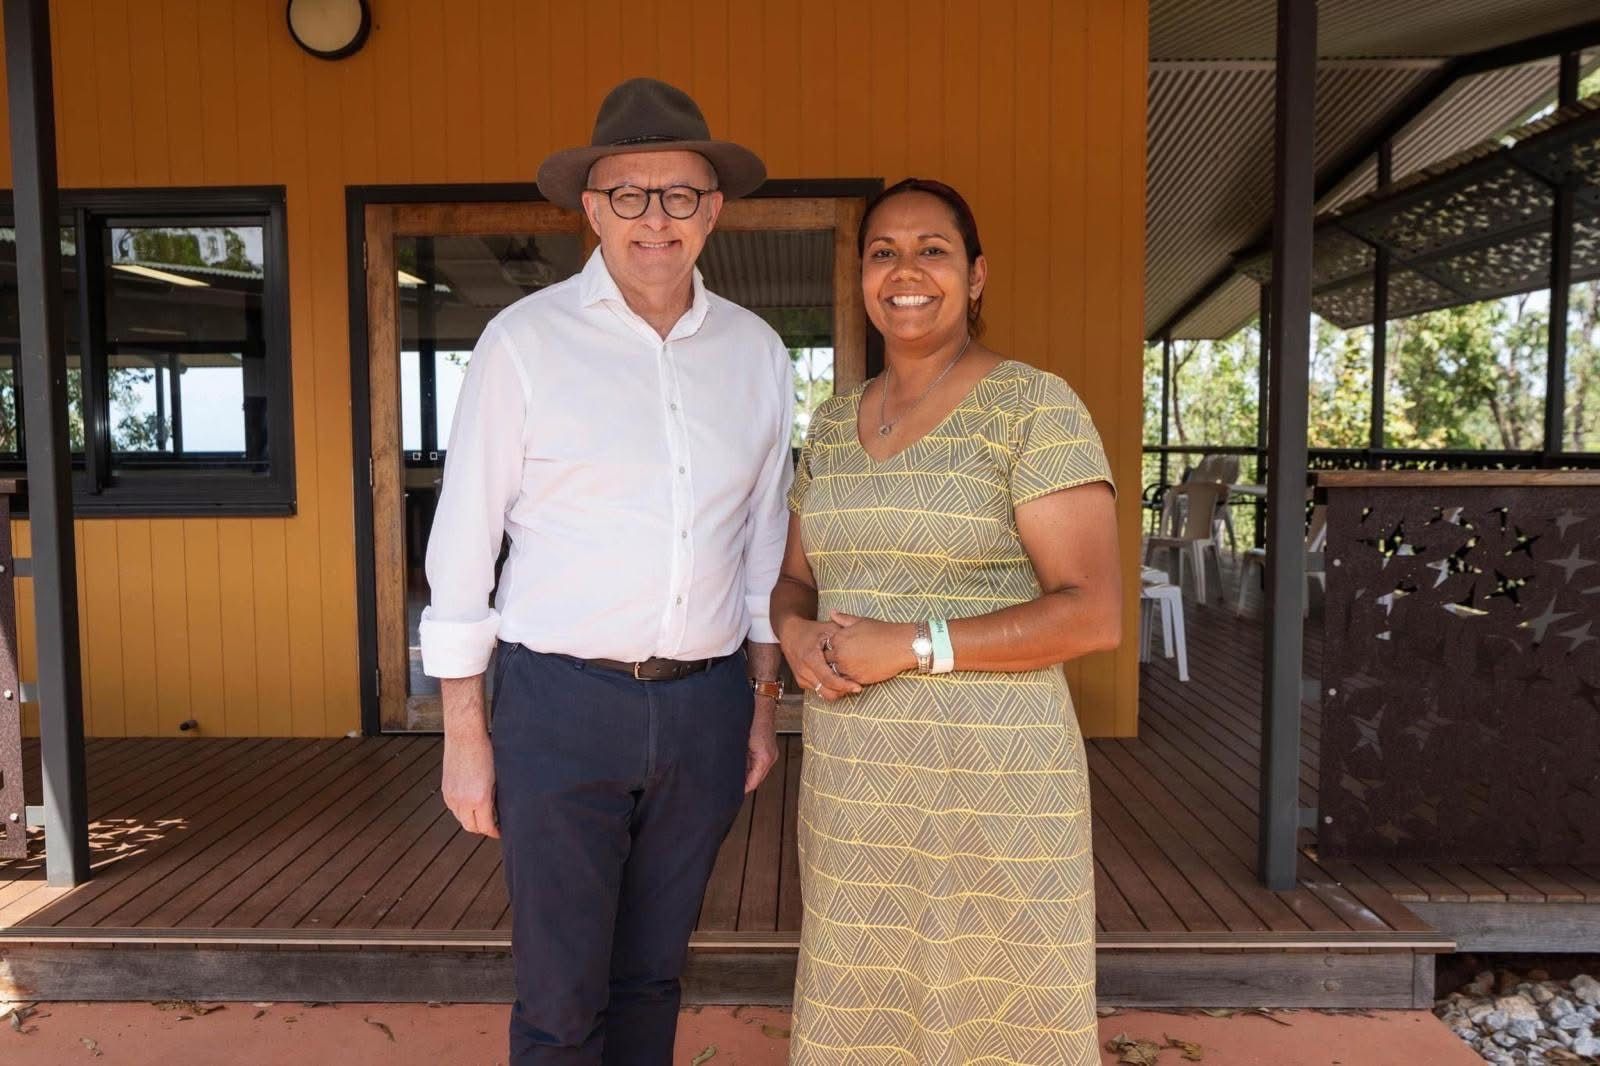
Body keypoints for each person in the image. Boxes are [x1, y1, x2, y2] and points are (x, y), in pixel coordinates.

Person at [420, 78, 794, 1065]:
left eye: (679, 194)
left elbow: (762, 542)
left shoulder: (756, 356)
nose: (655, 220)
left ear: (712, 210)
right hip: (558, 706)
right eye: (629, 194)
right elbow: (463, 543)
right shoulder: (525, 343)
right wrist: (466, 729)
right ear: (592, 209)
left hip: (706, 708)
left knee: (652, 976)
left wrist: (758, 704)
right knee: (559, 990)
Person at [773, 178, 1122, 1065]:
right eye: (883, 252)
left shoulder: (1033, 407)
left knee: (1001, 1008)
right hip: (856, 780)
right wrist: (791, 634)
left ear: (974, 276)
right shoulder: (830, 423)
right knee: (865, 994)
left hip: (995, 774)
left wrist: (916, 644)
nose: (906, 270)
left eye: (933, 249)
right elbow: (791, 579)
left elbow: (1094, 613)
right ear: (861, 278)